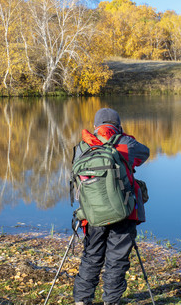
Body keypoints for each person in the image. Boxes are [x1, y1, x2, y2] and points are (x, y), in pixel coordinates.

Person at [73, 108, 150, 305]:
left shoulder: (82, 147)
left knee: (91, 255)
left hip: (91, 214)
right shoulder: (126, 143)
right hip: (123, 212)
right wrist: (123, 137)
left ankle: (82, 300)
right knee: (117, 259)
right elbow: (145, 153)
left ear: (95, 126)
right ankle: (111, 301)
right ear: (118, 126)